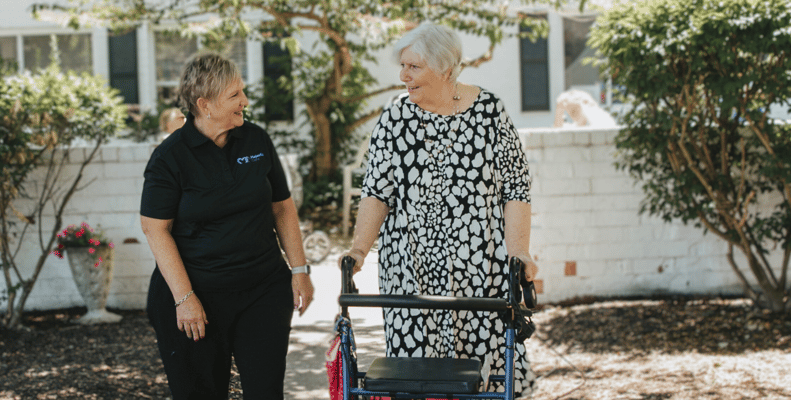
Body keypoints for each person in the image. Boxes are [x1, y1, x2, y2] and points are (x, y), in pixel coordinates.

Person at [341, 23, 540, 396]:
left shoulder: (490, 113)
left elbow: (515, 189)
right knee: (415, 373)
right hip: (410, 269)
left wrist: (519, 253)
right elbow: (376, 193)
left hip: (480, 268)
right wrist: (358, 252)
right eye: (402, 67)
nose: (403, 76)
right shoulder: (394, 119)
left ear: (446, 68)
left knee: (485, 369)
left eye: (413, 67)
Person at [140, 52, 314, 400]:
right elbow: (155, 229)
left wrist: (299, 269)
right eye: (235, 95)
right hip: (197, 295)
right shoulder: (169, 157)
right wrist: (185, 298)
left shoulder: (256, 140)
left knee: (265, 392)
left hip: (262, 289)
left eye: (242, 92)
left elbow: (281, 207)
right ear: (204, 104)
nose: (245, 102)